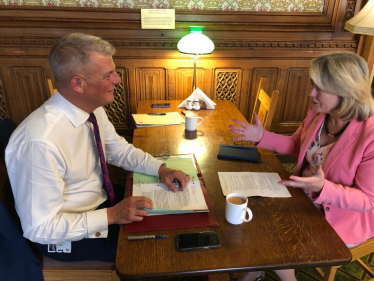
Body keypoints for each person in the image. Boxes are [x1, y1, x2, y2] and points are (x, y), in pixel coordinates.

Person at [5, 33, 190, 263]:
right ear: (78, 83)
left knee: (181, 221)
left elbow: (119, 151)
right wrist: (111, 215)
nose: (117, 80)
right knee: (162, 252)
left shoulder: (91, 109)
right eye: (107, 75)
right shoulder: (39, 143)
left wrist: (161, 169)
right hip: (67, 235)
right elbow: (40, 229)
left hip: (102, 202)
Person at [229, 51, 374, 281]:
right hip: (302, 195)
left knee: (274, 233)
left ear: (345, 90)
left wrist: (323, 188)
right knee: (255, 214)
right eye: (312, 85)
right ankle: (254, 272)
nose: (311, 93)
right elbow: (298, 144)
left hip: (340, 217)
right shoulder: (319, 112)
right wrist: (262, 136)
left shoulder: (370, 134)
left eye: (319, 88)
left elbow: (367, 201)